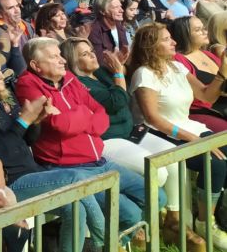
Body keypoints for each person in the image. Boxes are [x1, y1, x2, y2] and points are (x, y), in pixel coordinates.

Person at [61, 37, 200, 250]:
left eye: (91, 50)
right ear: (72, 60)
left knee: (172, 157)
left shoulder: (97, 73)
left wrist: (119, 68)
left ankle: (172, 219)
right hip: (108, 139)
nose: (92, 55)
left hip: (131, 133)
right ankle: (138, 226)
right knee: (158, 172)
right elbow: (118, 99)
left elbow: (119, 87)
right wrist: (118, 73)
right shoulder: (80, 83)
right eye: (84, 54)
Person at [0, 51, 106, 252]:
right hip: (10, 182)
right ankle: (104, 242)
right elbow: (0, 153)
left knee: (76, 208)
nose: (1, 76)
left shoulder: (6, 98)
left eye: (0, 71)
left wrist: (36, 120)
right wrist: (24, 120)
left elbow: (27, 139)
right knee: (76, 176)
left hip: (32, 171)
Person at [14, 37, 149, 240]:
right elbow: (59, 125)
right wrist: (86, 114)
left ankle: (115, 241)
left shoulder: (69, 77)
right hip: (67, 168)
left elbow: (101, 114)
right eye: (54, 57)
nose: (62, 60)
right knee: (131, 214)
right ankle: (108, 244)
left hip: (99, 160)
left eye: (60, 55)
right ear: (35, 65)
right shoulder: (27, 84)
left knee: (155, 196)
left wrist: (80, 116)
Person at [129, 23, 227, 246]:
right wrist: (196, 141)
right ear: (151, 46)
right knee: (216, 163)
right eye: (166, 39)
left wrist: (223, 71)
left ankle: (220, 214)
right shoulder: (144, 74)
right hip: (158, 134)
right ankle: (205, 222)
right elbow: (153, 118)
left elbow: (206, 95)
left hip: (189, 126)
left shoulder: (177, 68)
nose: (174, 42)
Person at [170, 15, 227, 133]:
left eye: (204, 28)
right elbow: (197, 94)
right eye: (197, 30)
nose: (204, 32)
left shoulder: (207, 54)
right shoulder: (178, 59)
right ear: (184, 35)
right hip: (202, 109)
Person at [88, 0, 130, 65]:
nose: (122, 10)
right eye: (116, 7)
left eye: (120, 6)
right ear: (102, 11)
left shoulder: (119, 26)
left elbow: (125, 51)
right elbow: (100, 62)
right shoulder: (94, 31)